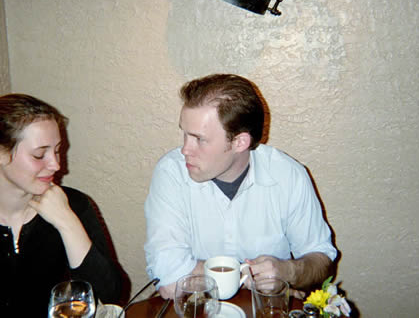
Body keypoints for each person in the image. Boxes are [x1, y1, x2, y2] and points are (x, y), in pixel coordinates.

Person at [0, 93, 126, 317]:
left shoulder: (76, 206)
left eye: (58, 150)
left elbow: (110, 294)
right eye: (39, 154)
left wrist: (67, 222)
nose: (56, 165)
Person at [144, 74, 337, 300]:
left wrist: (289, 271)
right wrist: (247, 276)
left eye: (199, 139)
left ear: (239, 142)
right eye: (184, 134)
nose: (185, 149)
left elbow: (321, 260)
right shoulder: (171, 173)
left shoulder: (288, 176)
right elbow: (167, 278)